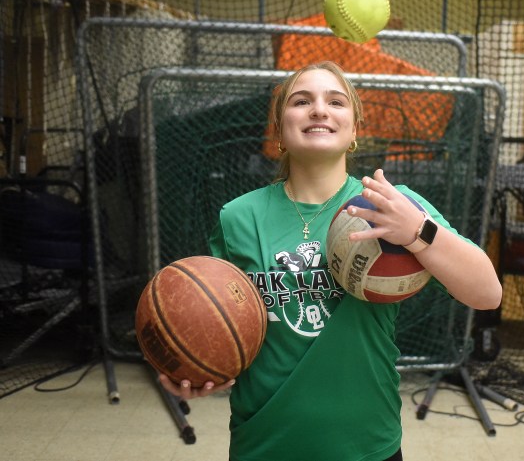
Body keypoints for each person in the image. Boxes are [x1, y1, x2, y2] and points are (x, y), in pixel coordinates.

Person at [159, 61, 502, 460]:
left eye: (335, 101)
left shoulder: (391, 204)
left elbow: (487, 293)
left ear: (354, 129)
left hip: (368, 444)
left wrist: (416, 231)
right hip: (265, 445)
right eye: (301, 101)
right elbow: (215, 322)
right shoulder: (239, 216)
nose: (319, 110)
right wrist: (203, 368)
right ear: (279, 130)